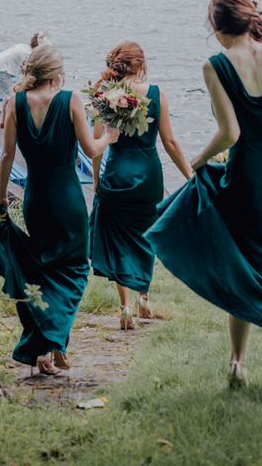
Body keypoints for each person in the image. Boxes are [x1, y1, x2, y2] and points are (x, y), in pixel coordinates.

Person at [146, 0, 262, 391]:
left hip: (251, 176)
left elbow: (231, 133)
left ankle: (237, 364)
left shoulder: (215, 66)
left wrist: (196, 162)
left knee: (242, 265)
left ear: (215, 27)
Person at [0, 45, 119, 375]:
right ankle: (53, 342)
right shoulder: (70, 99)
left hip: (36, 198)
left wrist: (2, 197)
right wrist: (110, 138)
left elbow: (6, 158)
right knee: (75, 270)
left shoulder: (15, 103)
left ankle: (53, 345)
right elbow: (91, 149)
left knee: (47, 269)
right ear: (58, 73)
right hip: (67, 199)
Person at [89, 42, 192, 330]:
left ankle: (124, 308)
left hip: (118, 172)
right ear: (142, 65)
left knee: (119, 237)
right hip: (148, 174)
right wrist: (189, 176)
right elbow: (170, 142)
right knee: (145, 235)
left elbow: (97, 145)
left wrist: (97, 178)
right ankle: (143, 299)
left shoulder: (104, 96)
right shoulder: (157, 94)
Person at [0, 32, 51, 127]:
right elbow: (27, 74)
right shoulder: (28, 54)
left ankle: (3, 122)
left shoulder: (24, 47)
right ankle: (10, 124)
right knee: (13, 98)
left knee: (8, 95)